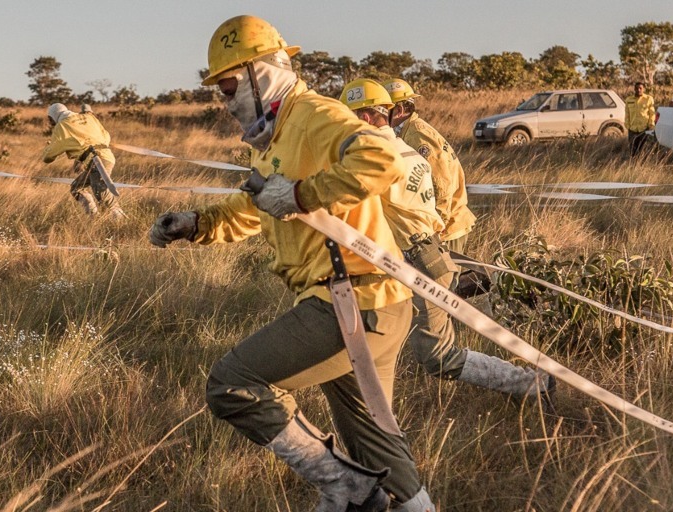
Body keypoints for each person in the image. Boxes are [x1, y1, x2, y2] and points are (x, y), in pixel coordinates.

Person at [150, 16, 434, 511]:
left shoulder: (314, 116)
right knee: (379, 448)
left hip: (351, 302)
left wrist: (304, 195)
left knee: (231, 384)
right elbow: (256, 207)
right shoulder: (278, 138)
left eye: (228, 85)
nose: (225, 100)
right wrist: (197, 224)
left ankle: (347, 490)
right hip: (371, 302)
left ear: (260, 73)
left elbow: (382, 157)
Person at [345, 79, 553, 403]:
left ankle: (528, 384)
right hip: (420, 253)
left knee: (439, 356)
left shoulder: (385, 154)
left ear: (368, 118)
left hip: (422, 260)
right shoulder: (405, 150)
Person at [383, 79, 474, 256]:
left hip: (446, 229)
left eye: (384, 110)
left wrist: (435, 231)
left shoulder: (417, 136)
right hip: (443, 226)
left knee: (442, 282)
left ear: (399, 110)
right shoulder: (410, 131)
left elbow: (442, 185)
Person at [41, 103, 125, 218]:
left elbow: (49, 156)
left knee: (101, 192)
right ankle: (93, 216)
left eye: (50, 119)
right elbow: (106, 136)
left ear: (53, 116)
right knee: (77, 188)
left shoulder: (62, 126)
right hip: (106, 157)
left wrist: (49, 149)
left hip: (97, 162)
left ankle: (119, 219)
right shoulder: (89, 117)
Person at [624, 82, 656, 158]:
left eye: (640, 88)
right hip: (632, 129)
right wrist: (627, 125)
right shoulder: (629, 99)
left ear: (643, 89)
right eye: (637, 88)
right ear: (634, 89)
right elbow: (627, 114)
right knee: (633, 150)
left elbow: (652, 113)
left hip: (644, 129)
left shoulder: (648, 99)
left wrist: (651, 125)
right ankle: (633, 165)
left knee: (643, 150)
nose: (638, 90)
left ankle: (641, 166)